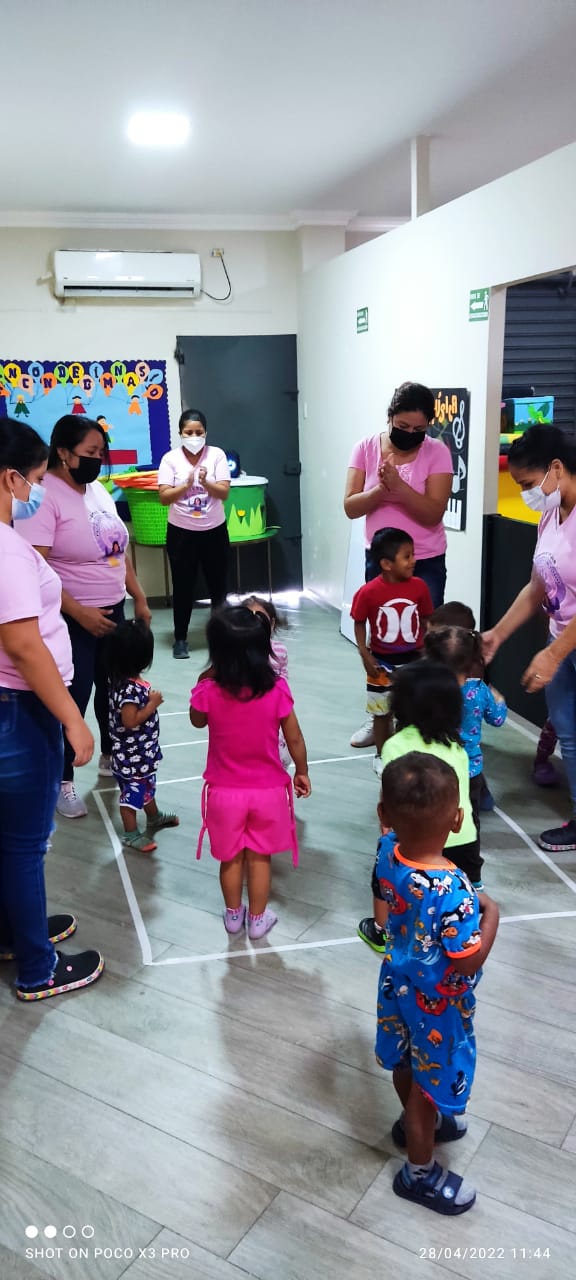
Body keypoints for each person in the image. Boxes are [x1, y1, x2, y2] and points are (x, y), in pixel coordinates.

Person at [0, 418, 104, 1000]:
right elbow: (22, 644)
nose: (38, 490)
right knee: (24, 844)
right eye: (37, 478)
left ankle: (14, 932)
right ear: (10, 478)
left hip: (11, 706)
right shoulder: (7, 550)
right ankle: (38, 968)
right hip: (20, 709)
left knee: (6, 838)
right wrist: (71, 717)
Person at [374, 752, 499, 1216]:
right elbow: (468, 960)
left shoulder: (387, 850)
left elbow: (390, 898)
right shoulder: (455, 892)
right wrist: (492, 916)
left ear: (384, 813)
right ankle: (419, 1174)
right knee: (429, 1088)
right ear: (458, 819)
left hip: (397, 985)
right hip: (438, 1005)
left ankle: (414, 1123)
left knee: (406, 1060)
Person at [19, 414, 151, 820]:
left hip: (114, 611)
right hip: (72, 619)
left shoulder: (97, 491)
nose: (98, 459)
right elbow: (37, 568)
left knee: (115, 691)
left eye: (101, 452)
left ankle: (111, 755)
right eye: (90, 452)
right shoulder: (45, 496)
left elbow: (118, 550)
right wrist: (79, 612)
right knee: (72, 698)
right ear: (63, 452)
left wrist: (138, 596)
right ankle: (63, 780)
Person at [189, 606, 311, 939]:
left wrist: (205, 679)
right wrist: (301, 770)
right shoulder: (277, 689)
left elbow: (196, 720)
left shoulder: (209, 689)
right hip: (268, 793)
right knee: (259, 858)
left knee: (230, 859)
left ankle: (233, 916)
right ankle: (257, 920)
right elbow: (295, 737)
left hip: (224, 793)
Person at [483, 424, 576, 851]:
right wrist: (497, 635)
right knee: (569, 733)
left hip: (563, 647)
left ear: (556, 468)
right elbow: (537, 587)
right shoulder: (550, 515)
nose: (525, 494)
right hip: (561, 641)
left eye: (526, 483)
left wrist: (553, 655)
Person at [344, 381, 453, 749]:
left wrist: (399, 489)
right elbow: (350, 506)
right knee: (383, 640)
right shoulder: (365, 448)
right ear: (389, 417)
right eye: (402, 426)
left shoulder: (437, 453)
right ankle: (379, 716)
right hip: (381, 563)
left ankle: (419, 719)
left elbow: (433, 513)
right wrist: (380, 490)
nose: (410, 434)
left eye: (419, 429)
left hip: (426, 561)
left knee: (424, 641)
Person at [358, 661, 481, 953]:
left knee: (384, 878)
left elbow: (390, 796)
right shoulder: (457, 747)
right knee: (457, 885)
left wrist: (387, 830)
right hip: (462, 835)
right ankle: (458, 930)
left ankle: (381, 931)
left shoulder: (395, 745)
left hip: (412, 837)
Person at [350, 527, 433, 765]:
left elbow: (427, 619)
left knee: (410, 712)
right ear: (386, 564)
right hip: (380, 666)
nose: (413, 561)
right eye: (407, 556)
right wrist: (364, 654)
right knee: (381, 713)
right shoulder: (368, 592)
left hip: (413, 662)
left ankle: (403, 754)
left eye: (413, 554)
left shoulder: (420, 587)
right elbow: (359, 622)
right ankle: (381, 755)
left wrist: (428, 651)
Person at [158, 409, 231, 660]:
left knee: (218, 586)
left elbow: (223, 493)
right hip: (181, 533)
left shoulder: (217, 455)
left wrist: (206, 482)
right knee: (183, 587)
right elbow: (164, 497)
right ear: (181, 433)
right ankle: (180, 639)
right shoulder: (170, 459)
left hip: (214, 531)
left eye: (198, 432)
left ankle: (220, 639)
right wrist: (186, 485)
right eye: (188, 432)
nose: (194, 436)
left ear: (205, 432)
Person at [424, 625, 507, 833]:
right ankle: (469, 845)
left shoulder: (427, 689)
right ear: (472, 661)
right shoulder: (479, 691)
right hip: (470, 768)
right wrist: (499, 699)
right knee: (470, 817)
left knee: (435, 812)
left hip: (434, 767)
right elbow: (497, 719)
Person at [106, 619, 179, 853]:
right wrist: (152, 705)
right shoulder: (128, 689)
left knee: (147, 785)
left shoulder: (126, 681)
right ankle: (130, 833)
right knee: (132, 794)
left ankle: (154, 817)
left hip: (142, 753)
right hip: (132, 758)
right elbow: (130, 721)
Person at [244, 595, 291, 767]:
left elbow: (284, 682)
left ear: (271, 624)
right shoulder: (235, 653)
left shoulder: (280, 651)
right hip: (245, 715)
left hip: (272, 714)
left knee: (276, 758)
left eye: (260, 621)